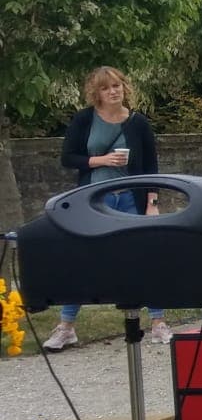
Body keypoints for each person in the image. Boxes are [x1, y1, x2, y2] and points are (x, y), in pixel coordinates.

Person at [48, 65, 167, 348]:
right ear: (96, 93)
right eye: (105, 88)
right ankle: (66, 326)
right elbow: (68, 158)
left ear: (124, 88)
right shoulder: (84, 119)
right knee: (83, 258)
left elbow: (151, 165)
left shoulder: (138, 123)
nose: (112, 91)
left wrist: (152, 201)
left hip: (130, 197)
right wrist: (101, 161)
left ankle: (159, 321)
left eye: (116, 86)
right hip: (93, 198)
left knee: (142, 258)